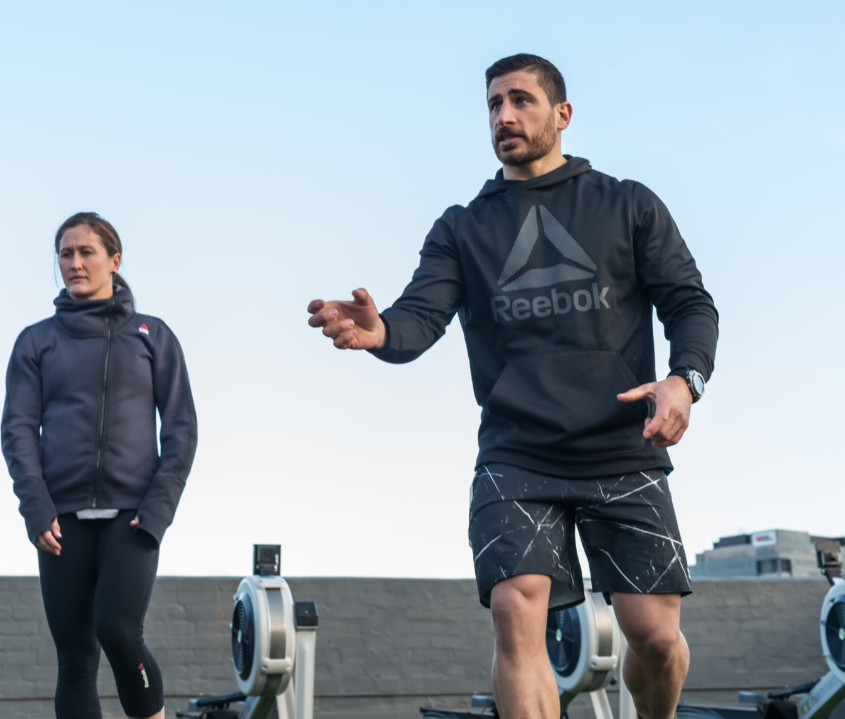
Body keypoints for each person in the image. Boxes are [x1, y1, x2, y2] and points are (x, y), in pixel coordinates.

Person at [307, 54, 717, 719]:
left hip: (621, 445)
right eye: (494, 104)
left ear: (563, 114)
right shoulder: (463, 228)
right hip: (517, 455)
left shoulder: (627, 204)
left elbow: (692, 304)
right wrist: (379, 331)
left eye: (521, 101)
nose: (504, 116)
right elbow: (418, 318)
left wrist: (684, 380)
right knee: (514, 608)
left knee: (657, 637)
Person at [2, 212, 197, 719]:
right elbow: (18, 429)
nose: (74, 262)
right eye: (65, 253)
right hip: (60, 517)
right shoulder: (35, 341)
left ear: (114, 259)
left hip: (133, 514)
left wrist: (157, 511)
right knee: (74, 658)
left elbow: (181, 431)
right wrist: (36, 507)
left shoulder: (152, 336)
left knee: (116, 628)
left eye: (86, 251)